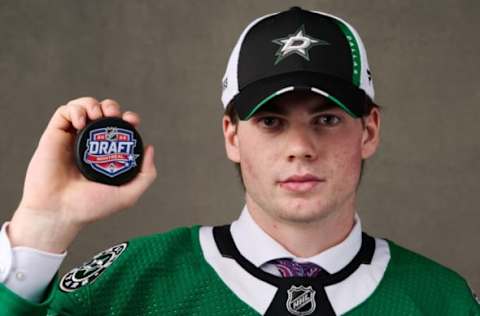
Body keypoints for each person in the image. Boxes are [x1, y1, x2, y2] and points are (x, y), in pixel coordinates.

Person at [0, 6, 478, 316]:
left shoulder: (444, 300)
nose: (300, 147)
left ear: (368, 130)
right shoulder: (134, 284)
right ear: (232, 135)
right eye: (270, 121)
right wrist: (43, 225)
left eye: (327, 120)